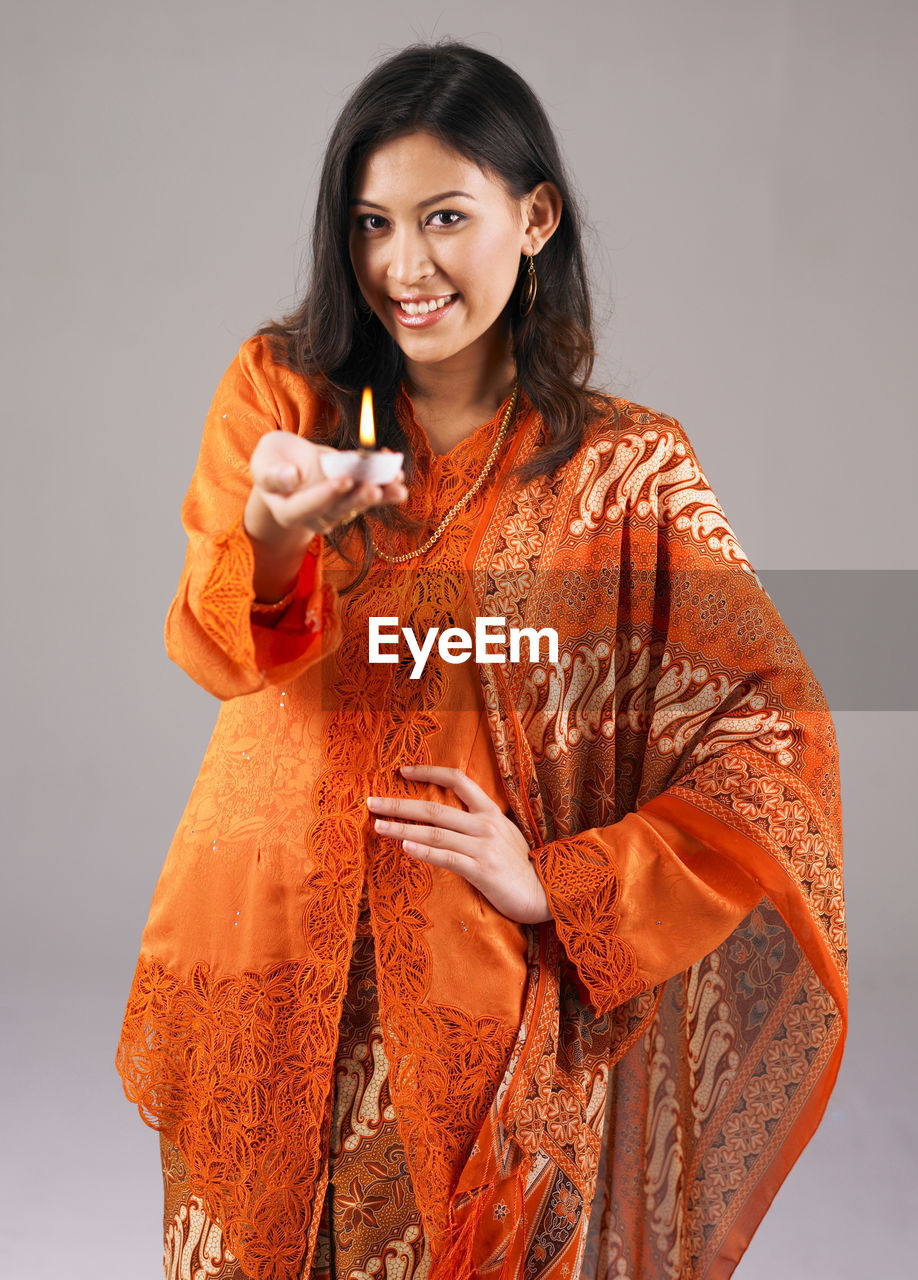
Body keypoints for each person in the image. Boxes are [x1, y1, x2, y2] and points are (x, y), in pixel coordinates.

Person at [115, 39, 847, 1280]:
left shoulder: (625, 471)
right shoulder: (287, 397)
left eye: (444, 217)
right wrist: (276, 534)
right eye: (371, 223)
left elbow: (776, 733)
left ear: (535, 215)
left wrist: (565, 882)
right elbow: (215, 641)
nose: (404, 266)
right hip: (257, 950)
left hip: (467, 990)